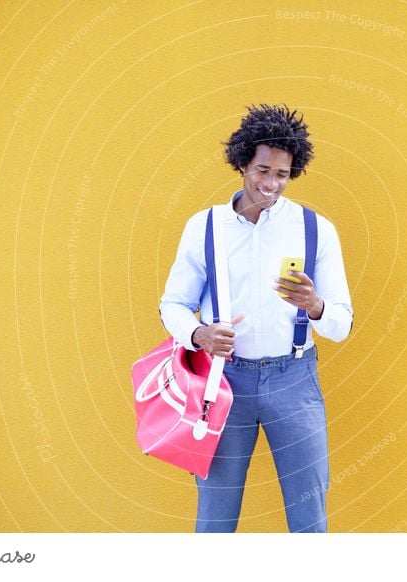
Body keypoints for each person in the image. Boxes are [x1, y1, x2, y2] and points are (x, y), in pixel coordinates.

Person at [159, 104, 353, 533]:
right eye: (262, 170)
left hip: (295, 380)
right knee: (216, 515)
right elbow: (171, 304)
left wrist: (315, 305)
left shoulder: (315, 229)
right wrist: (198, 334)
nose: (271, 184)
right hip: (224, 383)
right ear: (243, 163)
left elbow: (341, 323)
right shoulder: (205, 227)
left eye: (282, 175)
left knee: (309, 517)